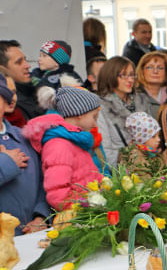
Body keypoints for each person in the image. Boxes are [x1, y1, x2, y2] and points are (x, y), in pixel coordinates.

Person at [23, 86, 106, 210]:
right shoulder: (58, 146)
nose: (95, 124)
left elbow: (91, 174)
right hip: (79, 214)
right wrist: (88, 204)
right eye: (94, 117)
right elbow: (58, 195)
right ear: (79, 114)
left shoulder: (75, 140)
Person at [0, 73, 49, 235]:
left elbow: (44, 181)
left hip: (32, 238)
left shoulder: (24, 136)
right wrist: (6, 163)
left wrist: (41, 216)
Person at [96, 56, 150, 165]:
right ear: (110, 76)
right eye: (124, 75)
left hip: (148, 164)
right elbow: (104, 150)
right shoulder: (101, 106)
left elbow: (152, 137)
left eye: (131, 75)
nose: (130, 79)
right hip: (120, 170)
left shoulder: (142, 101)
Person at [0, 40, 43, 123]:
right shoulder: (10, 106)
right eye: (19, 62)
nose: (28, 65)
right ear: (2, 69)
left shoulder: (36, 87)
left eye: (25, 60)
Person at [134, 52, 167, 119]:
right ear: (142, 71)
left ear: (166, 72)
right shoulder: (133, 97)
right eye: (150, 67)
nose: (155, 71)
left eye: (160, 68)